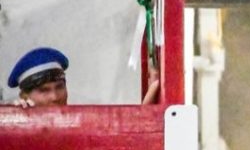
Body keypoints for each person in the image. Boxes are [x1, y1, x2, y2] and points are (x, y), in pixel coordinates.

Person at [4, 46, 160, 106]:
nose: (54, 96)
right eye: (44, 90)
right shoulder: (15, 118)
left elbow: (128, 136)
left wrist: (153, 90)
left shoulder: (82, 120)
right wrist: (10, 116)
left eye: (59, 87)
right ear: (24, 96)